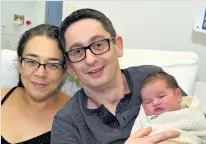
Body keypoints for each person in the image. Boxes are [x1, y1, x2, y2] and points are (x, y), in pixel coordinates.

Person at [51, 8, 186, 144]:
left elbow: (196, 118)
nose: (90, 59)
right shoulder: (67, 124)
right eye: (77, 51)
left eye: (98, 45)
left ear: (118, 46)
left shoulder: (152, 78)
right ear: (69, 65)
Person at [1, 24, 71, 144]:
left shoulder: (78, 117)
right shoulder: (2, 97)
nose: (40, 73)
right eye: (32, 61)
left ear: (64, 71)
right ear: (19, 64)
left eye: (53, 65)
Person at [131, 72, 206, 143]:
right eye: (148, 101)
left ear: (178, 95)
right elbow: (135, 136)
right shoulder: (144, 120)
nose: (155, 103)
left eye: (161, 96)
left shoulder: (192, 113)